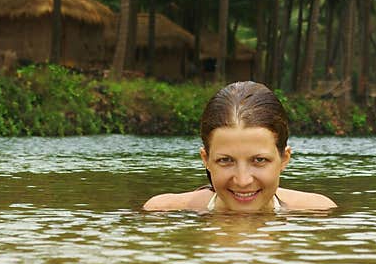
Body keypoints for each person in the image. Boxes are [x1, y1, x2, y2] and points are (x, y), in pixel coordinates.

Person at [143, 81, 337, 212]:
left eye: (259, 160)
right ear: (206, 160)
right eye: (225, 160)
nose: (243, 181)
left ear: (284, 159)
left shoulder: (318, 213)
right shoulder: (161, 213)